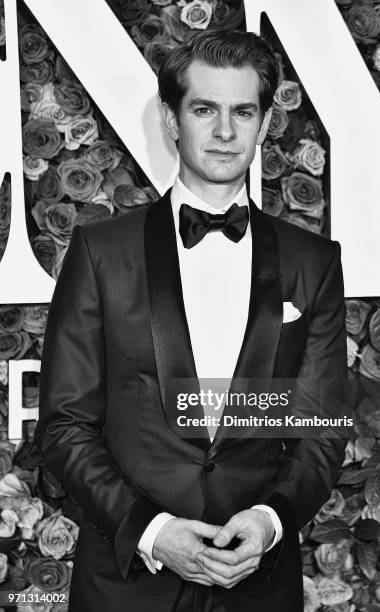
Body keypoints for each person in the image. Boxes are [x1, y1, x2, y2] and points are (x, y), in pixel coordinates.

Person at [35, 29, 348, 612]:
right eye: (205, 109)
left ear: (262, 125)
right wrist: (153, 531)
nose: (225, 132)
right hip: (126, 586)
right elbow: (64, 425)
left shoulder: (314, 262)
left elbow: (321, 425)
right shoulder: (101, 253)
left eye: (243, 112)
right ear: (172, 119)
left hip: (257, 588)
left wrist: (269, 520)